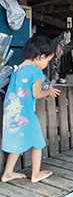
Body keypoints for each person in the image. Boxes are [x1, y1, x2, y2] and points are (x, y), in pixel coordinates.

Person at [1, 35, 61, 183]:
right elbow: (37, 93)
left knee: (17, 142)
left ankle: (8, 173)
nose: (47, 64)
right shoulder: (36, 72)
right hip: (26, 114)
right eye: (48, 60)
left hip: (11, 113)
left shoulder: (18, 68)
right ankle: (36, 174)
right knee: (38, 142)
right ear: (41, 57)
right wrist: (49, 92)